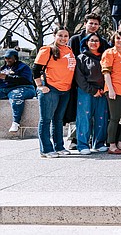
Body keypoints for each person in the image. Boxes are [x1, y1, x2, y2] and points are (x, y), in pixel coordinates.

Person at [33, 28, 77, 158]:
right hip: (51, 89)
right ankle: (46, 149)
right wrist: (40, 86)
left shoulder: (69, 50)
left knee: (58, 120)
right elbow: (36, 69)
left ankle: (59, 146)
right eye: (60, 35)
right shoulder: (47, 50)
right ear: (54, 36)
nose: (63, 38)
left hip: (65, 90)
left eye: (66, 36)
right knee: (46, 120)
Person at [73, 34, 107, 154]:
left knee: (101, 118)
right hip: (86, 91)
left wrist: (104, 88)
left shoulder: (104, 57)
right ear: (86, 42)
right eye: (91, 40)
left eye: (96, 40)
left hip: (102, 91)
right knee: (84, 118)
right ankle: (82, 145)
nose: (94, 43)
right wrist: (92, 90)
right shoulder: (81, 58)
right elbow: (80, 78)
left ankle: (99, 143)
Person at [0, 49, 36, 133]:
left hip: (24, 88)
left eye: (9, 58)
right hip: (5, 89)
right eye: (6, 58)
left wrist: (7, 77)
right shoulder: (3, 68)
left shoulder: (23, 67)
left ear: (15, 58)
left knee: (16, 96)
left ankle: (16, 122)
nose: (7, 60)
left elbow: (26, 80)